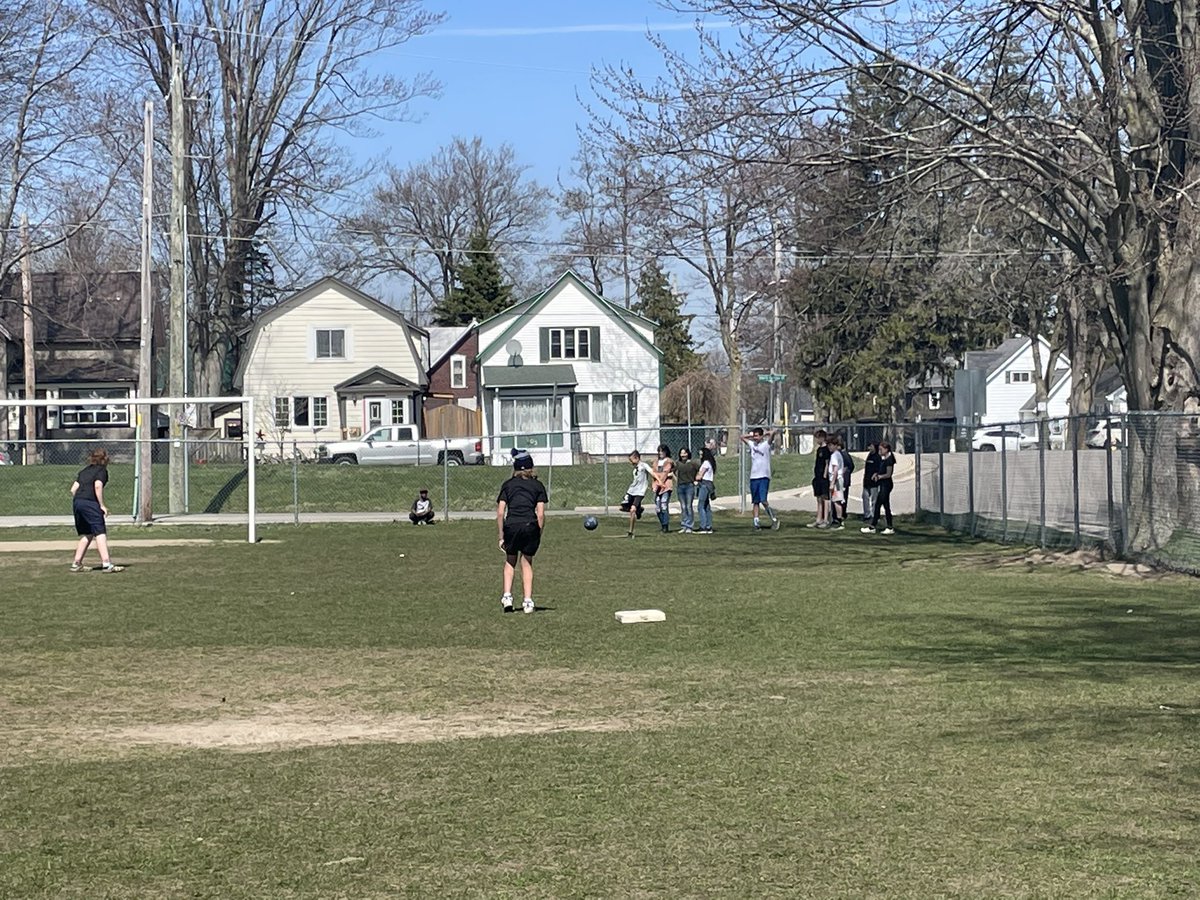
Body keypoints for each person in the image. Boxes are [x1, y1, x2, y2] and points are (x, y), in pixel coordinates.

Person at [496, 449, 548, 613]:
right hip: (529, 525)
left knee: (510, 560)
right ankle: (527, 601)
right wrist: (538, 533)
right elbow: (540, 514)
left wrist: (501, 536)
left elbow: (500, 511)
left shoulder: (508, 485)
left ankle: (507, 597)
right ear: (531, 468)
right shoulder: (538, 486)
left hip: (511, 525)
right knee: (526, 563)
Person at [69, 448, 122, 573]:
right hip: (90, 503)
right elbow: (97, 485)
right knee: (100, 532)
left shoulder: (84, 471)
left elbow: (73, 489)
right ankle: (106, 563)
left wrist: (81, 499)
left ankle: (77, 563)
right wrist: (102, 505)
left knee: (88, 533)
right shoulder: (102, 471)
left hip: (78, 502)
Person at [740, 426, 780, 530]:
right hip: (754, 477)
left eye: (757, 436)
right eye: (755, 436)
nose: (755, 438)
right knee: (755, 501)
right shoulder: (752, 444)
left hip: (763, 476)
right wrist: (751, 435)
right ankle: (756, 522)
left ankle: (774, 518)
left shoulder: (765, 445)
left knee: (763, 500)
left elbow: (773, 434)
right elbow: (742, 437)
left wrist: (765, 434)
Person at [861, 441, 896, 535]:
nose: (879, 451)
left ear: (886, 449)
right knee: (886, 506)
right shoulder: (884, 458)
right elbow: (881, 469)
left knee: (878, 505)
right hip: (883, 484)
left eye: (881, 449)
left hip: (886, 485)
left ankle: (874, 526)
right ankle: (887, 526)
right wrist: (877, 474)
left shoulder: (890, 459)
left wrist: (880, 476)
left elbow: (888, 474)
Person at [620, 449, 655, 538]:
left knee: (632, 510)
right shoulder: (635, 469)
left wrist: (658, 482)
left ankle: (630, 531)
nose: (630, 462)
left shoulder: (644, 466)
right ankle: (639, 510)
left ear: (637, 458)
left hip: (640, 492)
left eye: (631, 460)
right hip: (631, 491)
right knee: (621, 508)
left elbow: (652, 473)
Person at [808, 429, 831, 528]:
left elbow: (827, 463)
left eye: (818, 438)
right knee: (819, 499)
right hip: (817, 477)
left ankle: (825, 519)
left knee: (825, 498)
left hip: (823, 478)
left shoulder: (826, 450)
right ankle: (819, 519)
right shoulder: (819, 449)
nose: (817, 440)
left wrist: (825, 475)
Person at [674, 447, 699, 533]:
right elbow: (672, 472)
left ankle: (689, 526)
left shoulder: (692, 463)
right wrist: (676, 480)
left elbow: (699, 471)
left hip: (689, 486)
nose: (683, 455)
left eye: (684, 453)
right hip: (680, 486)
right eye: (681, 453)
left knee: (688, 506)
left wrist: (696, 480)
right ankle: (684, 525)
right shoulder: (678, 463)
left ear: (688, 454)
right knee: (683, 507)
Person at [652, 443, 675, 534]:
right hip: (657, 487)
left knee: (664, 505)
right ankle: (662, 524)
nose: (661, 453)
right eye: (659, 451)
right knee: (658, 508)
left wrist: (660, 482)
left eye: (662, 451)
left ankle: (666, 526)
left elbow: (665, 473)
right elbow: (654, 473)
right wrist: (655, 485)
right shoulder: (655, 462)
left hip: (666, 487)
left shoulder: (668, 461)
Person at [695, 445, 717, 534]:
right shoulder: (710, 463)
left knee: (700, 506)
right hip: (709, 484)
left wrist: (695, 478)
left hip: (704, 484)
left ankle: (703, 526)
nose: (700, 456)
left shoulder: (705, 463)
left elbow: (700, 475)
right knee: (706, 506)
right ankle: (709, 526)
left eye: (701, 455)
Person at [826, 433, 846, 530]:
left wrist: (832, 483)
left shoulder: (835, 455)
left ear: (834, 445)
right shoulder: (837, 454)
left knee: (837, 501)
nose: (829, 447)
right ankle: (837, 519)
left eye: (830, 445)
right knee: (835, 501)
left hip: (837, 480)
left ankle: (839, 520)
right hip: (837, 479)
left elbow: (835, 470)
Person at [861, 441, 881, 521]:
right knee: (865, 497)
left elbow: (879, 469)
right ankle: (867, 515)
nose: (869, 448)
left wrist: (876, 474)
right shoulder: (869, 456)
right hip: (866, 481)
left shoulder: (877, 457)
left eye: (871, 446)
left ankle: (874, 515)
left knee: (874, 499)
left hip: (874, 482)